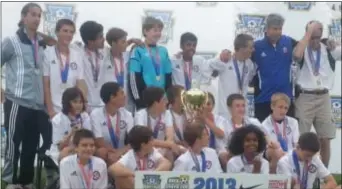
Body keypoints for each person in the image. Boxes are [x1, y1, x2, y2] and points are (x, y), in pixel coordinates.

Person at [1, 3, 52, 188]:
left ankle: (26, 181)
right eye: (33, 15)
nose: (37, 19)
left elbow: (55, 42)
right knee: (14, 145)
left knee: (31, 145)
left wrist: (41, 35)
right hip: (16, 101)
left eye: (39, 15)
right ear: (23, 17)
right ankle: (11, 181)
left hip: (37, 105)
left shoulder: (41, 43)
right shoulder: (11, 41)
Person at [293, 20, 342, 168]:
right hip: (304, 96)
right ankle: (300, 173)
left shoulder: (328, 48)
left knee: (325, 138)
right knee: (301, 139)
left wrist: (336, 42)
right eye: (312, 37)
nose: (315, 41)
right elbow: (296, 56)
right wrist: (307, 35)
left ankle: (324, 175)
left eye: (318, 37)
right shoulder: (301, 47)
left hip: (324, 97)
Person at [252, 13, 302, 122]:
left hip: (285, 99)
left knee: (288, 135)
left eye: (280, 29)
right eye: (275, 29)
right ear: (267, 29)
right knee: (263, 136)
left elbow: (304, 47)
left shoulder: (288, 42)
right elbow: (240, 54)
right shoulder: (256, 46)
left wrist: (326, 42)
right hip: (264, 99)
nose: (278, 32)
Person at [43, 19, 87, 119]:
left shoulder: (77, 55)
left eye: (71, 32)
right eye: (65, 31)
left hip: (72, 110)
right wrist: (50, 111)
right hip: (54, 109)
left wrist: (79, 109)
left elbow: (79, 83)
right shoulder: (47, 53)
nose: (69, 35)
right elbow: (46, 84)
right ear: (57, 32)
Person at [129, 16, 172, 110]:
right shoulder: (137, 50)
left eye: (160, 30)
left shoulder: (163, 51)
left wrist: (168, 100)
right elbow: (134, 78)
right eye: (155, 30)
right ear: (145, 31)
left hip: (162, 101)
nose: (158, 33)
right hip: (145, 102)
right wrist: (139, 102)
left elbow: (168, 77)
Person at [210, 34, 256, 120]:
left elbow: (249, 81)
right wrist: (220, 57)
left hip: (243, 111)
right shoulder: (225, 61)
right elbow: (208, 67)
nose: (253, 50)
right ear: (242, 48)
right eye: (251, 47)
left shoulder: (250, 64)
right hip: (226, 112)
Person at [91, 82, 133, 165]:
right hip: (106, 151)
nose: (125, 96)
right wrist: (114, 153)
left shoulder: (128, 114)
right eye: (121, 93)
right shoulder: (96, 114)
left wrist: (119, 153)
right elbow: (99, 141)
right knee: (101, 152)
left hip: (122, 150)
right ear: (112, 97)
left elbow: (133, 141)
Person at [134, 87, 181, 159]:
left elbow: (170, 136)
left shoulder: (167, 113)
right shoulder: (140, 115)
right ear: (156, 103)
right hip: (146, 149)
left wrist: (165, 148)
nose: (167, 102)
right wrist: (169, 144)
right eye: (164, 99)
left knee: (170, 153)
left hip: (162, 148)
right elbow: (143, 139)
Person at [103, 27, 143, 113]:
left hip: (127, 102)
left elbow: (142, 46)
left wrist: (133, 41)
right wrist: (130, 41)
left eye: (126, 41)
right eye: (123, 42)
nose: (126, 44)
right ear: (113, 43)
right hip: (111, 100)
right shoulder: (104, 56)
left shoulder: (128, 55)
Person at [218, 93, 262, 170]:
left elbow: (264, 138)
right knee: (224, 156)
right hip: (232, 155)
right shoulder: (222, 124)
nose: (241, 109)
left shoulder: (254, 122)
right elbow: (221, 147)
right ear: (229, 108)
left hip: (252, 153)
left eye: (243, 106)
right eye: (237, 106)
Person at [49, 87, 91, 164]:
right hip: (63, 149)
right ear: (67, 103)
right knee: (66, 153)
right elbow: (60, 147)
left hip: (82, 147)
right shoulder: (58, 119)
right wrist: (71, 133)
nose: (78, 105)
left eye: (81, 102)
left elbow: (90, 138)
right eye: (75, 102)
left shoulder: (85, 116)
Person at [261, 93, 300, 173]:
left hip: (290, 153)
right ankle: (273, 179)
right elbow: (271, 146)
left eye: (286, 108)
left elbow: (296, 143)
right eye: (280, 107)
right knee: (275, 151)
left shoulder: (293, 122)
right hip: (275, 152)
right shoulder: (265, 125)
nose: (283, 111)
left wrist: (293, 154)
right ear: (272, 106)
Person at [79, 21, 105, 111]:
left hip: (102, 105)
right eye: (100, 37)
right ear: (90, 41)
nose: (104, 39)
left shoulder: (105, 53)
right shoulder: (78, 52)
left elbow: (119, 45)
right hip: (86, 105)